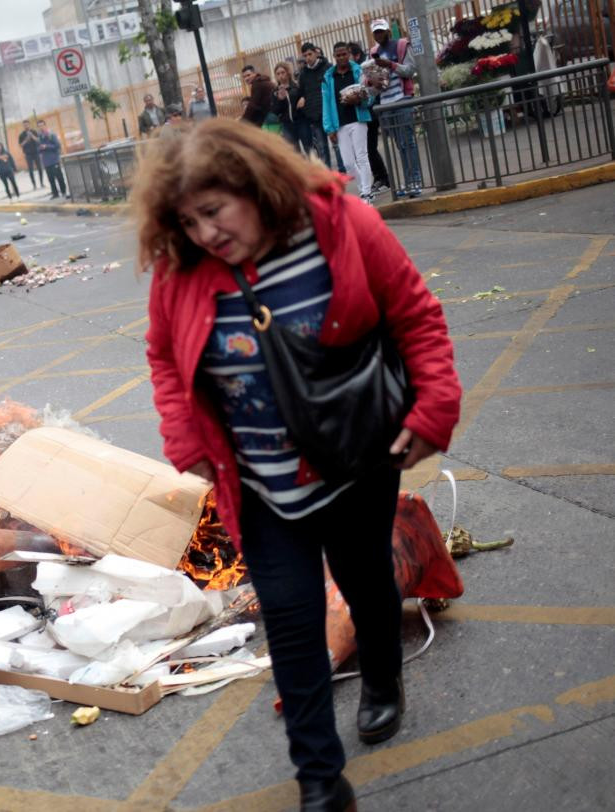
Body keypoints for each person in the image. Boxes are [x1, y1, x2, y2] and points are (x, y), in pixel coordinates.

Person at [132, 118, 461, 812]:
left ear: (255, 186)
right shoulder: (179, 275)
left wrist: (433, 410)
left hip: (356, 459)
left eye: (215, 211)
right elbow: (164, 356)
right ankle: (319, 781)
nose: (205, 234)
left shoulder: (343, 228)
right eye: (188, 221)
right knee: (288, 616)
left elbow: (416, 316)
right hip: (258, 483)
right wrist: (183, 433)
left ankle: (381, 679)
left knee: (366, 578)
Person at [370, 18, 423, 197]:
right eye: (375, 32)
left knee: (408, 142)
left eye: (381, 31)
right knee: (400, 145)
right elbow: (371, 87)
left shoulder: (401, 45)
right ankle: (408, 182)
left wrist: (391, 65)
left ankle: (414, 181)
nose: (379, 35)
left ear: (388, 31)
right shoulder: (373, 52)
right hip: (385, 104)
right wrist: (372, 82)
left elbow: (410, 70)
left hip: (402, 100)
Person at [322, 42, 375, 205]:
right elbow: (326, 103)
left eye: (344, 54)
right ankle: (363, 188)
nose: (341, 57)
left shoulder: (359, 71)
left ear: (349, 54)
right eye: (338, 55)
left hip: (358, 119)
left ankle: (366, 192)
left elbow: (370, 95)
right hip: (340, 125)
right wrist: (329, 128)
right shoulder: (328, 77)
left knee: (362, 157)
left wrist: (358, 100)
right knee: (348, 163)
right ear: (334, 56)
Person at [349, 41, 391, 195]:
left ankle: (383, 178)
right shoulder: (354, 70)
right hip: (364, 113)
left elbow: (376, 88)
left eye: (348, 55)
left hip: (371, 113)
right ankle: (381, 178)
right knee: (367, 149)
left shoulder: (366, 68)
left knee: (370, 149)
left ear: (356, 55)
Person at [296, 42, 343, 172]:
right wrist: (303, 100)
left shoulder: (328, 68)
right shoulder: (303, 74)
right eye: (305, 56)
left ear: (316, 53)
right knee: (322, 147)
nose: (308, 58)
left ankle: (343, 171)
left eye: (310, 54)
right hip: (314, 116)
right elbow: (301, 93)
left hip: (329, 113)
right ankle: (327, 175)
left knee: (336, 143)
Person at [272, 61, 312, 155]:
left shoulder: (297, 86)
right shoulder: (275, 91)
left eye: (283, 72)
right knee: (294, 153)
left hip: (301, 122)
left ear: (288, 73)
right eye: (278, 74)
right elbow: (275, 111)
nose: (281, 76)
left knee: (309, 149)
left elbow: (307, 95)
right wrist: (280, 99)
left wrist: (303, 98)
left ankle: (314, 168)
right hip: (287, 125)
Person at [37, 119, 67, 199]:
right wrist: (40, 148)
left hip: (54, 160)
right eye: (39, 126)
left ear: (45, 125)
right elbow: (38, 148)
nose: (41, 127)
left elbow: (57, 146)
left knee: (59, 177)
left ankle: (63, 191)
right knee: (51, 179)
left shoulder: (51, 134)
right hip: (46, 161)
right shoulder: (39, 137)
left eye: (42, 125)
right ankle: (55, 193)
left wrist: (47, 146)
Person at [17, 120, 45, 190]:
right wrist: (26, 139)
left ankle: (42, 183)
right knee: (31, 170)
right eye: (24, 125)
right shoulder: (21, 135)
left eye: (27, 124)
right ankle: (34, 185)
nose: (26, 126)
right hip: (28, 154)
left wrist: (32, 136)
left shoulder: (34, 132)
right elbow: (20, 145)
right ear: (23, 126)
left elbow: (38, 140)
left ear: (29, 124)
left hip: (36, 152)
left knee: (40, 168)